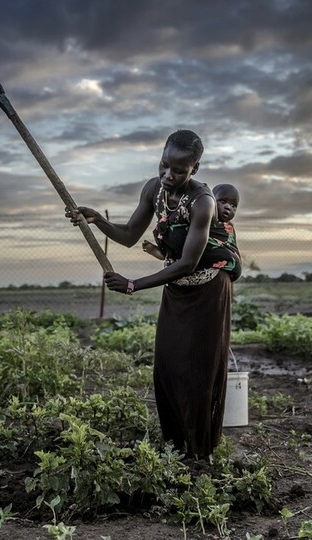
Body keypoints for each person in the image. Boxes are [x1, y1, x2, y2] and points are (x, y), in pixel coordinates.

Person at [66, 130, 241, 459]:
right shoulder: (154, 189)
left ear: (195, 169)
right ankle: (176, 449)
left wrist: (133, 284)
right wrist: (97, 220)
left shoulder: (203, 202)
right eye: (164, 166)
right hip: (176, 289)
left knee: (199, 371)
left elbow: (188, 263)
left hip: (208, 289)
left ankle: (201, 455)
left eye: (178, 170)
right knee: (167, 365)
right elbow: (130, 234)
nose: (168, 175)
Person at [142, 183, 241, 281]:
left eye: (233, 206)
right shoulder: (200, 217)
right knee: (182, 243)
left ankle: (167, 254)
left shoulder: (227, 227)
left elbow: (229, 247)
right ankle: (164, 253)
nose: (228, 207)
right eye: (223, 201)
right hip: (189, 256)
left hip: (215, 263)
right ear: (212, 201)